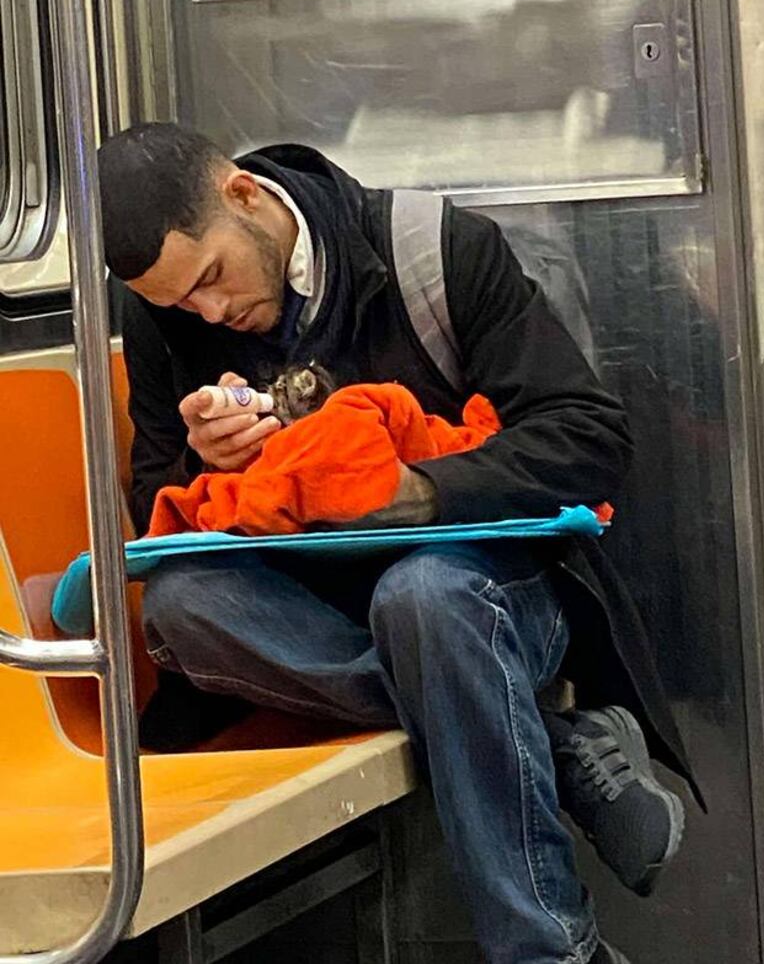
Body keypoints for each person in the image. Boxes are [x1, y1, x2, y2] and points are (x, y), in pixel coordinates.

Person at [98, 122, 699, 964]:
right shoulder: (162, 313)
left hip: (484, 585)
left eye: (211, 279)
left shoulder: (435, 251)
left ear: (244, 195)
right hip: (312, 612)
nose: (210, 313)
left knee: (425, 598)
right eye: (181, 305)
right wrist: (205, 463)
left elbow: (588, 435)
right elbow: (153, 513)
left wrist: (420, 493)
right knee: (182, 605)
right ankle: (559, 746)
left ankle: (548, 950)